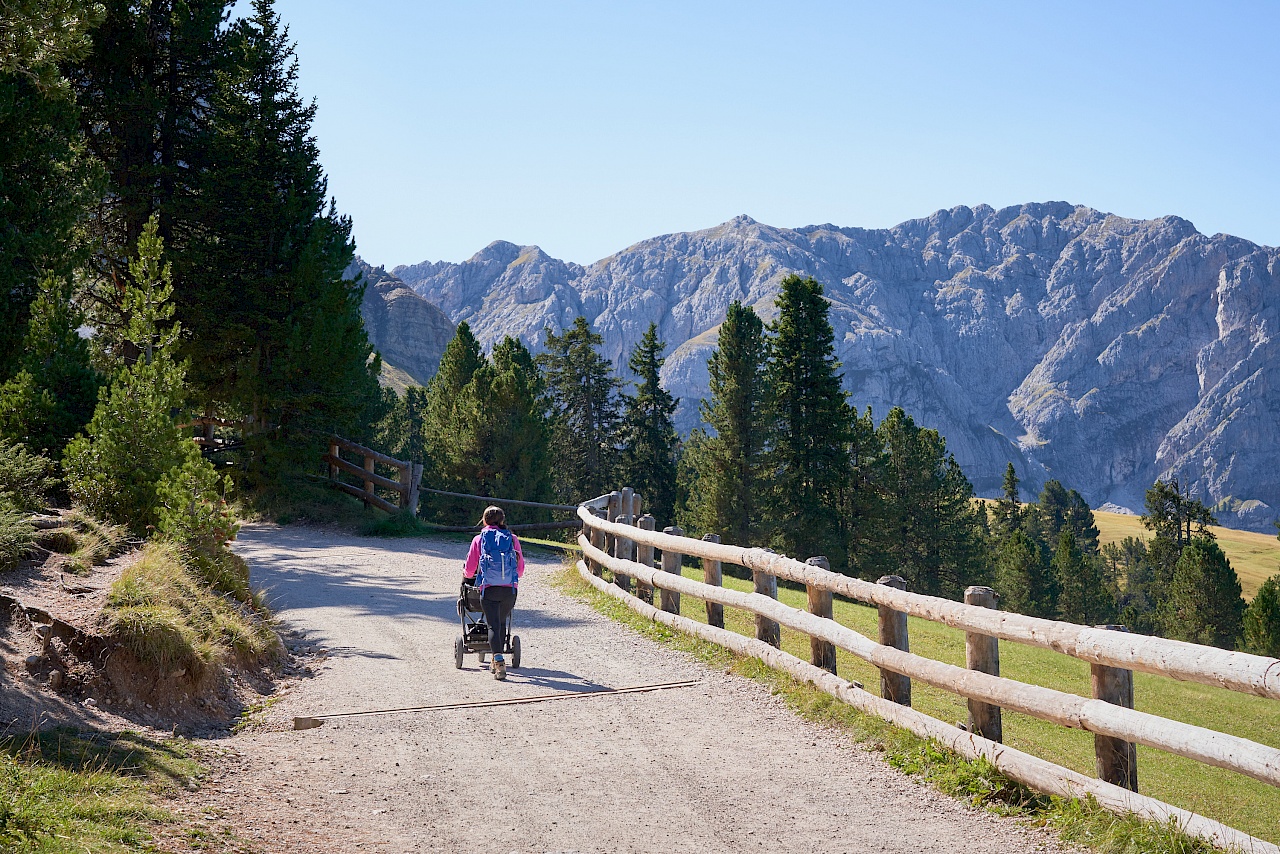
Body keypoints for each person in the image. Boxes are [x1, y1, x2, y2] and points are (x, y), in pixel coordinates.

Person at [462, 505, 524, 680]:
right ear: (502, 520)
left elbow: (470, 569)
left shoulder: (479, 539)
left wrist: (467, 575)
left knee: (492, 625)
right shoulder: (512, 539)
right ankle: (497, 658)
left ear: (484, 520)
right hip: (509, 590)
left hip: (489, 589)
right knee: (501, 622)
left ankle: (498, 661)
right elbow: (520, 570)